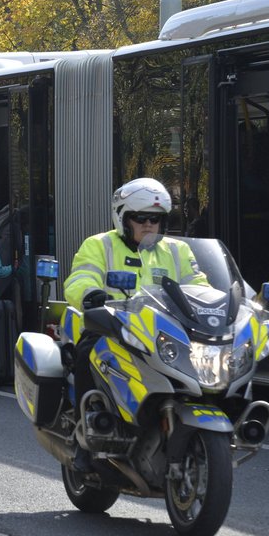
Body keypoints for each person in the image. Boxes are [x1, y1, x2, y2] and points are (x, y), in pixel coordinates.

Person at [64, 178, 207, 469]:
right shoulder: (100, 245)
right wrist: (91, 294)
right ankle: (84, 437)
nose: (148, 224)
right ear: (123, 218)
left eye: (155, 219)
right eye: (140, 218)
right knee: (87, 353)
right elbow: (79, 278)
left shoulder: (177, 250)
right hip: (113, 327)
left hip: (166, 333)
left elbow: (199, 285)